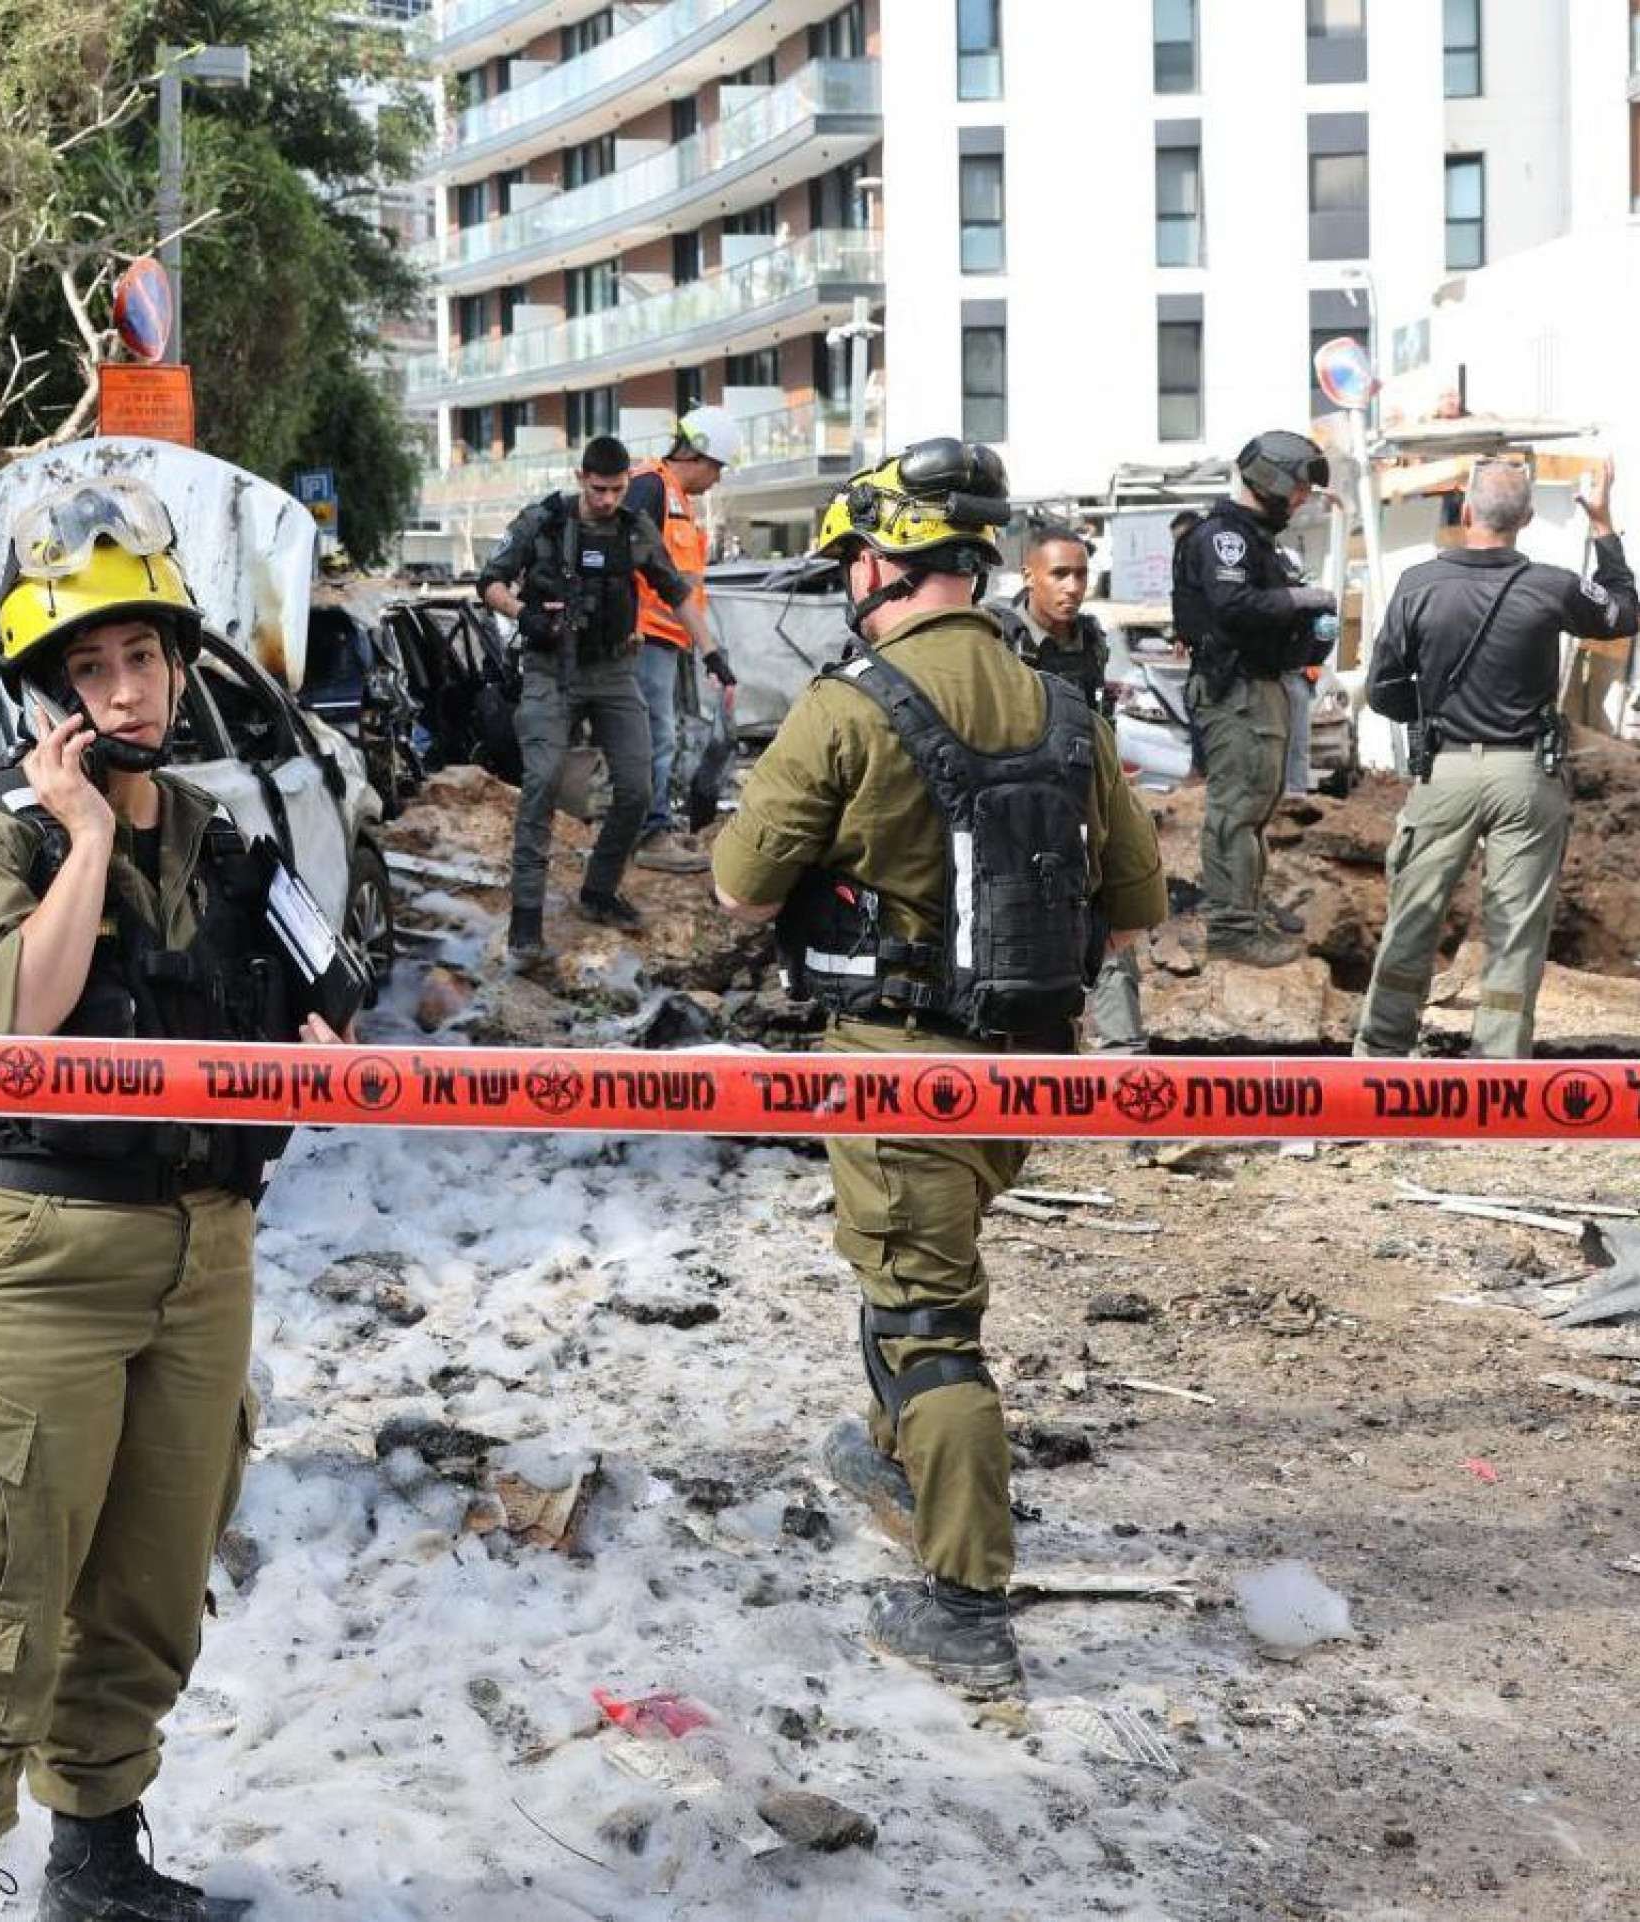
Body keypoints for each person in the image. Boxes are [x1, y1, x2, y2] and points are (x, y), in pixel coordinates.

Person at [0, 476, 330, 1922]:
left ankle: (98, 1853)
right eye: (89, 667)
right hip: (32, 1259)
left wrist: (310, 1049)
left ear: (181, 665)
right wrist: (80, 834)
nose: (126, 689)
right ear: (44, 696)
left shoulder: (220, 835)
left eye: (142, 656)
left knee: (151, 1577)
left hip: (204, 1254)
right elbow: (19, 1004)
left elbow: (329, 1031)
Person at [711, 439, 1165, 1695]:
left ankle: (965, 1601)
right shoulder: (1065, 704)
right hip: (1025, 1070)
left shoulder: (848, 705)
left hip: (899, 1069)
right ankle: (891, 1455)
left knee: (927, 1323)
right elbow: (1135, 904)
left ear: (879, 561)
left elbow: (741, 891)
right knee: (905, 1264)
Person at [1357, 458, 1637, 1058]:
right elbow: (1622, 612)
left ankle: (1379, 1055)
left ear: (1465, 512)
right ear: (1528, 520)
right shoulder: (1553, 586)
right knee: (1515, 928)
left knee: (1413, 914)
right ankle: (1498, 1069)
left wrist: (1430, 711)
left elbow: (1381, 689)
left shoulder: (1417, 584)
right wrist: (1604, 526)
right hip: (1526, 776)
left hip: (1445, 769)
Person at [479, 434, 719, 959]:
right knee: (541, 783)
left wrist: (713, 655)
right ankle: (525, 919)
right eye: (599, 488)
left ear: (625, 483)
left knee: (637, 787)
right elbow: (489, 582)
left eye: (616, 489)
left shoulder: (635, 531)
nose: (608, 499)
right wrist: (528, 616)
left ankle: (599, 890)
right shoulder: (542, 522)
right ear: (580, 478)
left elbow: (676, 593)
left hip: (613, 670)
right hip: (550, 669)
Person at [1173, 432, 1341, 967]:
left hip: (1257, 687)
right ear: (1271, 480)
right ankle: (1231, 927)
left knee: (1254, 809)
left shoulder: (1254, 538)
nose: (1302, 499)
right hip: (1236, 690)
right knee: (1237, 810)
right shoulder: (1225, 537)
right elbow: (1233, 605)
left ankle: (1244, 905)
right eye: (1298, 487)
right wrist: (1298, 599)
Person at [994, 522, 1146, 1052]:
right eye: (1059, 573)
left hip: (1081, 801)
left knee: (1104, 916)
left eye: (1081, 574)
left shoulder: (1091, 640)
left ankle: (1125, 1054)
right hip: (1013, 811)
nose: (1072, 586)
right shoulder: (996, 637)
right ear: (1028, 575)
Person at [632, 409, 741, 872]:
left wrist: (710, 651)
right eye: (716, 467)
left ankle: (651, 826)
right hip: (642, 640)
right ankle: (648, 835)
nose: (716, 479)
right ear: (695, 453)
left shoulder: (676, 499)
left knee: (662, 734)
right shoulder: (649, 488)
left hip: (667, 639)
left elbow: (682, 586)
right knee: (652, 736)